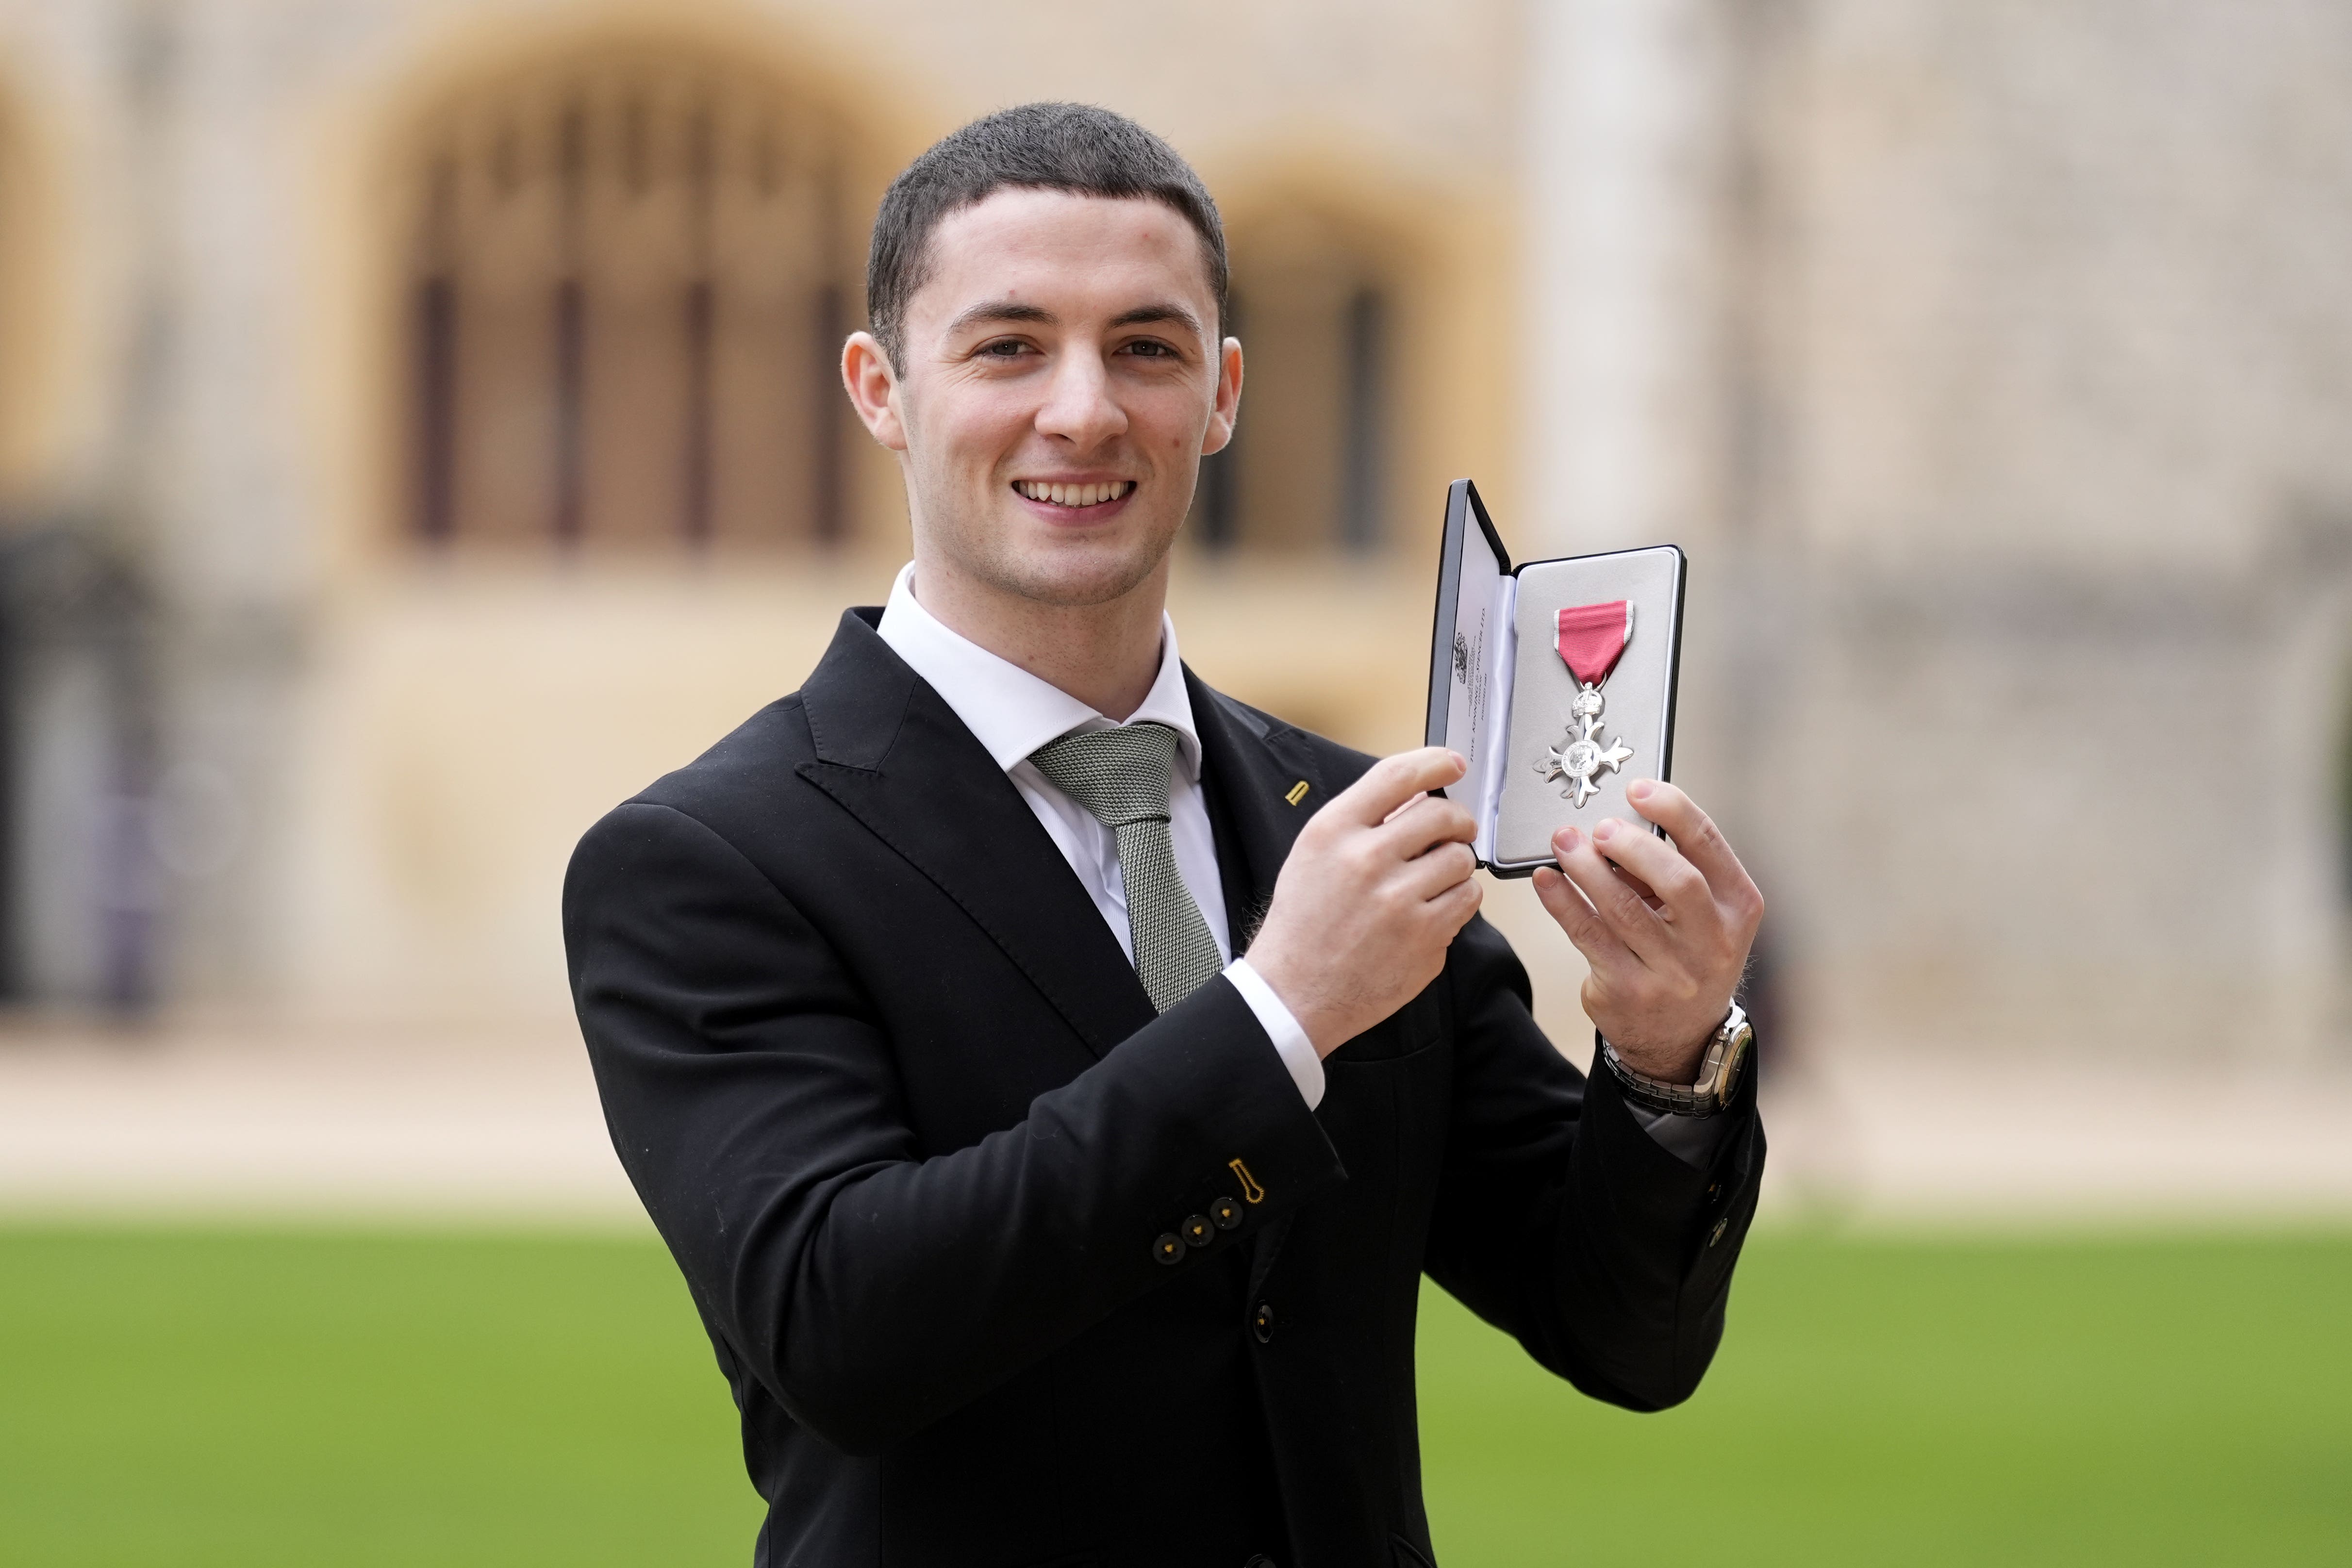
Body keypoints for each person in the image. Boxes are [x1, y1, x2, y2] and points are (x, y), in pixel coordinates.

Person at [564, 102, 1766, 1568]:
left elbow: (1620, 1334)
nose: (1084, 410)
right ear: (881, 388)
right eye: (1008, 347)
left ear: (1224, 392)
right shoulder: (707, 859)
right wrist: (1277, 1017)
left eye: (1147, 347)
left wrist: (1661, 1060)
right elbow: (841, 1331)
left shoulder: (1351, 821)